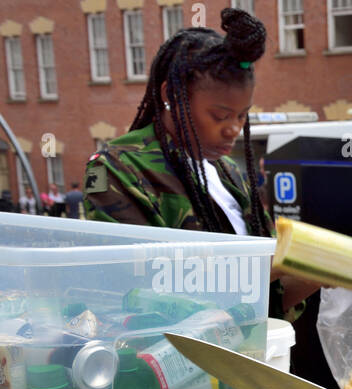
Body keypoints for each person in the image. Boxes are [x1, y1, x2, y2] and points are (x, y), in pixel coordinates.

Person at [83, 8, 316, 322]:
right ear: (172, 96)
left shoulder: (229, 174)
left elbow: (267, 304)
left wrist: (320, 270)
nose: (233, 129)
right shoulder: (116, 169)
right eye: (220, 116)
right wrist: (268, 266)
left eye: (241, 115)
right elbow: (137, 292)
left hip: (246, 360)